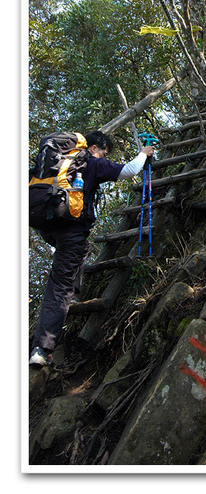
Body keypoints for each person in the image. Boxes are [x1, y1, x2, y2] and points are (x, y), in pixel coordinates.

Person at [29, 130, 154, 367]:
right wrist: (144, 153)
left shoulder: (55, 160)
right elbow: (129, 171)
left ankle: (73, 292)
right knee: (60, 286)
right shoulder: (91, 161)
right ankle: (41, 349)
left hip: (45, 222)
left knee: (79, 253)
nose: (102, 155)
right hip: (71, 229)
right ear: (95, 147)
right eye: (103, 152)